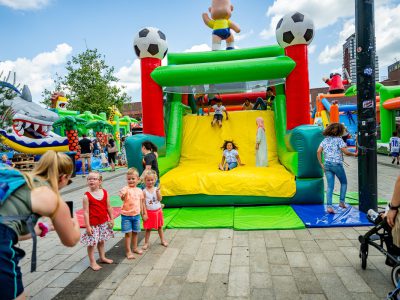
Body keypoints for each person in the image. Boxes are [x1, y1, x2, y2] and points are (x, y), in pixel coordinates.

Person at [0, 151, 80, 299]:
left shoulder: (20, 178)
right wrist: (74, 219)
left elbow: (9, 225)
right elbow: (71, 239)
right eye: (68, 181)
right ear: (63, 177)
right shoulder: (52, 198)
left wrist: (43, 229)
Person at [317, 123, 358, 214]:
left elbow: (318, 151)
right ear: (339, 131)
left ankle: (329, 207)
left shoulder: (325, 140)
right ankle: (341, 202)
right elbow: (346, 152)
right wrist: (354, 154)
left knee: (330, 187)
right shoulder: (339, 140)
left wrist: (321, 164)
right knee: (344, 183)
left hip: (327, 164)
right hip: (337, 164)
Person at [80, 171, 114, 271]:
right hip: (93, 224)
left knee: (101, 241)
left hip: (103, 222)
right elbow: (85, 212)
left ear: (100, 181)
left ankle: (102, 257)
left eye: (94, 179)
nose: (91, 180)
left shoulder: (105, 192)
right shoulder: (87, 196)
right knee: (92, 244)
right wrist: (87, 226)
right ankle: (92, 262)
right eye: (89, 179)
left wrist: (111, 218)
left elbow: (109, 207)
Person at [119, 168, 145, 259]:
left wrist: (143, 213)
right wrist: (123, 195)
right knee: (128, 234)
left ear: (138, 179)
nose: (131, 181)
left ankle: (134, 248)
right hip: (126, 216)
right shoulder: (125, 189)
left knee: (135, 233)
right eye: (129, 179)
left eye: (133, 179)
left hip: (136, 215)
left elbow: (141, 203)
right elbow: (122, 198)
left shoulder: (139, 190)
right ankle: (128, 251)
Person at [141, 170, 168, 250]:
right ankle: (146, 243)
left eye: (152, 180)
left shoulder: (157, 189)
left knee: (160, 227)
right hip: (149, 212)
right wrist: (143, 214)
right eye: (148, 180)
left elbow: (159, 199)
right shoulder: (144, 191)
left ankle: (162, 240)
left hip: (157, 212)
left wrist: (157, 192)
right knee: (148, 229)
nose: (150, 182)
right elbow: (143, 204)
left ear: (155, 180)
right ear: (145, 181)